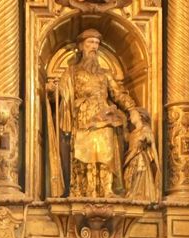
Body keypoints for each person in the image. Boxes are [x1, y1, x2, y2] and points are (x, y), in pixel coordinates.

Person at [48, 29, 135, 198]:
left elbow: (118, 94)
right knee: (83, 153)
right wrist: (52, 91)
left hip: (104, 116)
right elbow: (61, 94)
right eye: (90, 42)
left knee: (105, 151)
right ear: (81, 46)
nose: (94, 46)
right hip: (82, 117)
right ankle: (83, 190)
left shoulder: (105, 74)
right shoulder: (71, 72)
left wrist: (131, 109)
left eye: (96, 43)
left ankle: (106, 189)